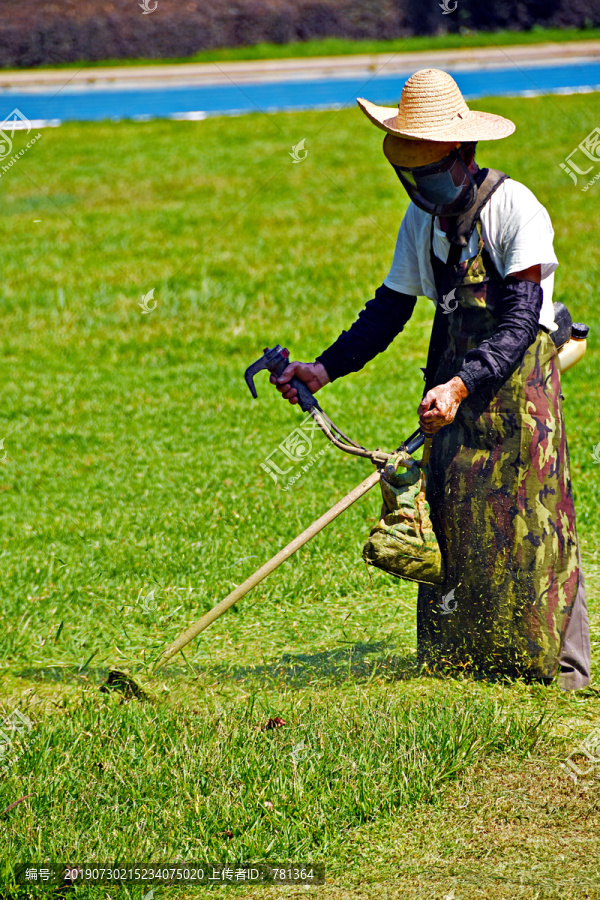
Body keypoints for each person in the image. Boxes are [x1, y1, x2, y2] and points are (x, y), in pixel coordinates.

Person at [271, 68, 591, 690]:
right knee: (456, 527)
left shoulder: (514, 208)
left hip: (518, 404)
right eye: (410, 174)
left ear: (463, 154)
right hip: (453, 401)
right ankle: (462, 664)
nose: (420, 185)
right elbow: (389, 310)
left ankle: (557, 673)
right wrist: (324, 367)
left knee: (534, 532)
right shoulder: (422, 221)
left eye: (429, 171)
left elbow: (523, 320)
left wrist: (461, 384)